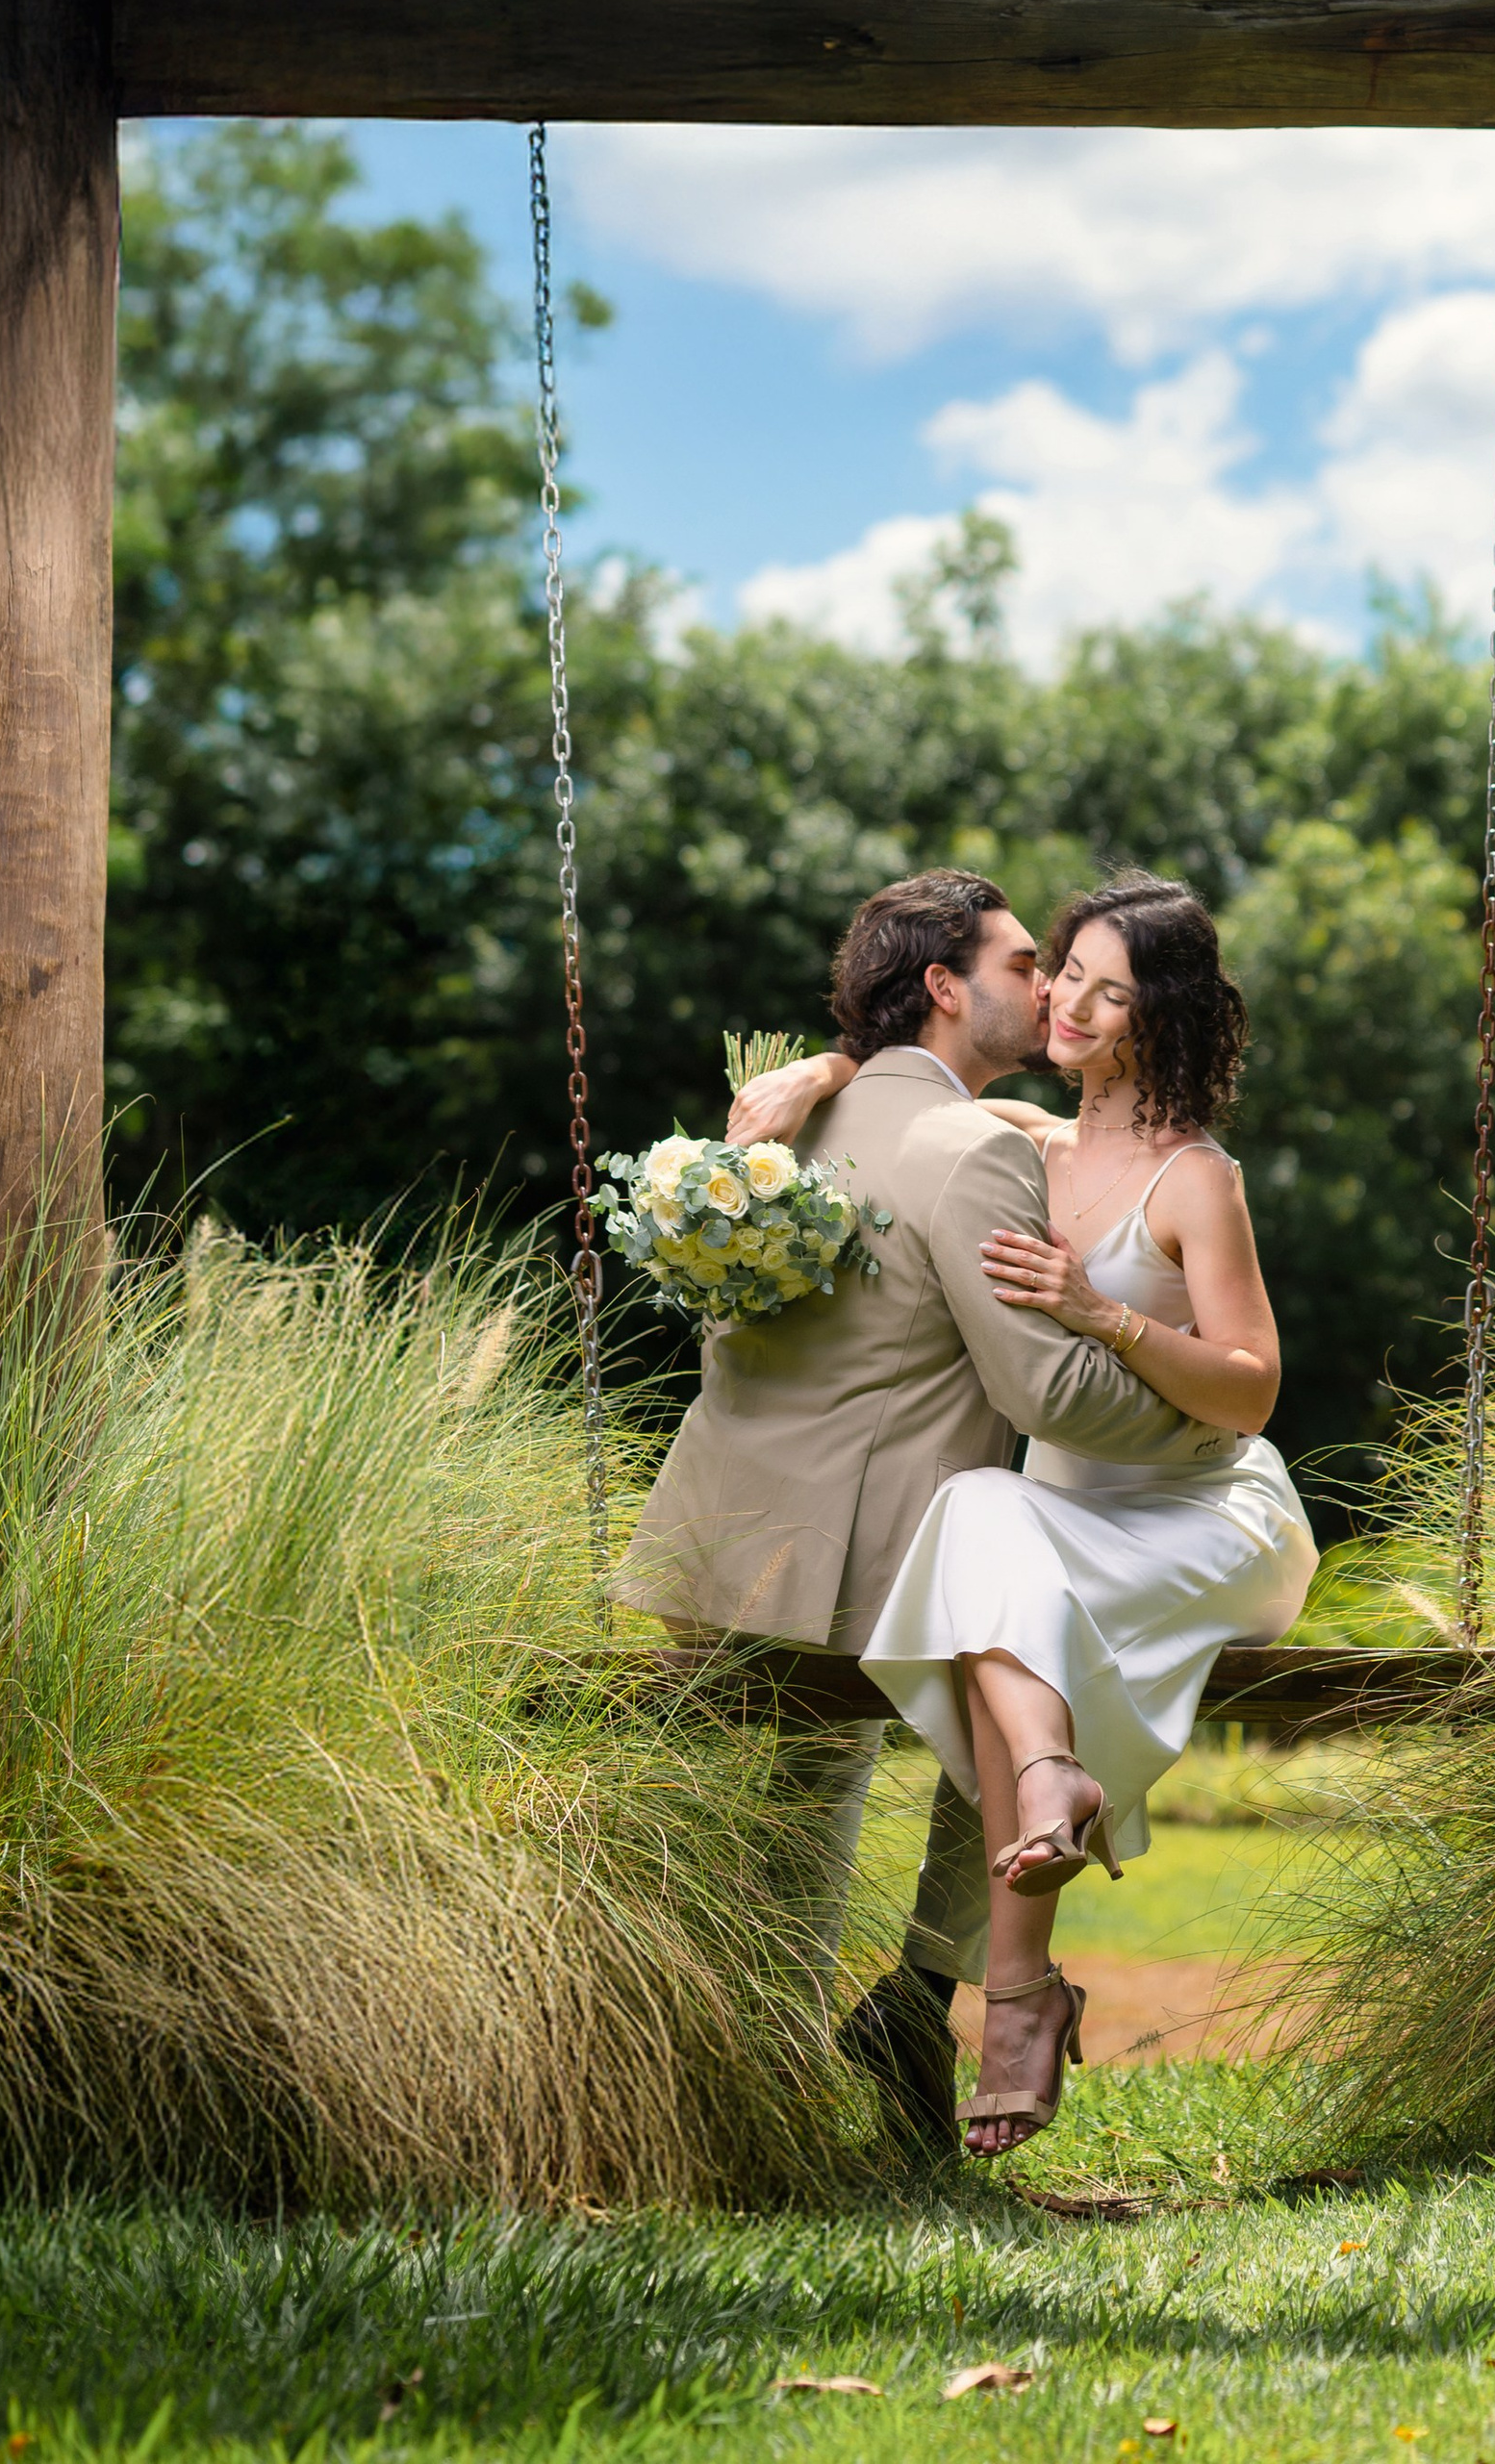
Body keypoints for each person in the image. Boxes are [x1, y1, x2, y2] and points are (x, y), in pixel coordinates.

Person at [616, 867, 1226, 2156]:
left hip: (715, 1540)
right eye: (1022, 965)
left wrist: (832, 1068)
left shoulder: (770, 1142)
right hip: (862, 1564)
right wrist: (1205, 1426)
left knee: (713, 1849)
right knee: (1048, 1693)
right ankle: (897, 2025)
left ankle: (726, 2093)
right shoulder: (974, 1153)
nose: (1049, 986)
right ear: (945, 989)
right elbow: (1043, 1388)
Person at [733, 873, 1317, 2158]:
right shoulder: (1026, 1145)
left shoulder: (1193, 1181)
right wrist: (816, 1073)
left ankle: (1009, 2002)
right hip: (1060, 1517)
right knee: (985, 1515)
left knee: (1002, 1584)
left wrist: (1097, 1307)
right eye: (1066, 975)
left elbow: (1253, 1388)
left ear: (1159, 1020)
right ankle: (1044, 1813)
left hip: (1199, 1517)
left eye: (1113, 992)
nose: (1073, 1005)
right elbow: (914, 1085)